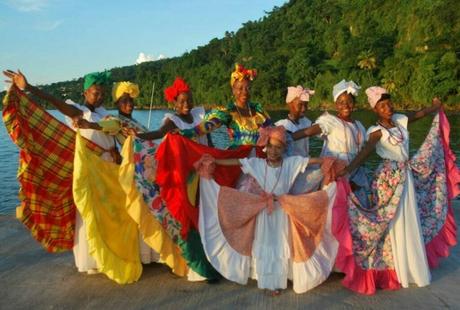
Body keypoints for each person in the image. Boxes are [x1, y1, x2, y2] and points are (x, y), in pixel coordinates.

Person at [196, 126, 339, 295]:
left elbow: (309, 161)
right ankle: (266, 280)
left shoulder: (290, 163)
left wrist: (326, 161)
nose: (273, 151)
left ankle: (278, 282)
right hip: (264, 213)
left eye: (278, 147)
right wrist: (215, 161)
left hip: (283, 212)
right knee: (264, 243)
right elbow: (236, 162)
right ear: (266, 147)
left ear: (284, 149)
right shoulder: (257, 163)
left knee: (281, 244)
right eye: (270, 146)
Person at [335, 86, 451, 294]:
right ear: (375, 110)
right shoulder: (376, 132)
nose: (387, 107)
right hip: (389, 179)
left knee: (410, 218)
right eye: (382, 105)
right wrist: (348, 171)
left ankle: (411, 265)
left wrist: (435, 107)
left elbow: (419, 114)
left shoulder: (399, 121)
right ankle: (395, 265)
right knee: (394, 221)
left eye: (388, 103)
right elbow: (365, 153)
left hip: (406, 174)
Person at [3, 69, 114, 274]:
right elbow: (54, 101)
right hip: (89, 171)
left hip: (108, 170)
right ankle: (92, 259)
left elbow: (110, 137)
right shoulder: (77, 111)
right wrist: (28, 88)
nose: (99, 96)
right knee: (88, 214)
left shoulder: (103, 113)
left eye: (101, 93)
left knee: (107, 214)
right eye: (94, 92)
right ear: (85, 93)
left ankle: (110, 252)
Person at [290, 80, 369, 204]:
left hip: (355, 172)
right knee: (334, 209)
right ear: (336, 105)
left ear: (354, 103)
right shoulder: (331, 121)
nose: (346, 105)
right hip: (335, 173)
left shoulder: (359, 126)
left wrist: (351, 171)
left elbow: (364, 150)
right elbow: (311, 130)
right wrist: (288, 137)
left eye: (349, 101)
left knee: (357, 211)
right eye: (341, 102)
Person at [180, 64, 271, 150]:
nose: (245, 92)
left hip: (259, 161)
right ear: (233, 90)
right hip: (237, 160)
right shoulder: (229, 112)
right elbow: (209, 125)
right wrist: (186, 133)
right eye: (240, 88)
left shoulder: (259, 111)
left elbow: (273, 131)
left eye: (248, 88)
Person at [275, 85, 315, 157]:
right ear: (289, 105)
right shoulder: (282, 125)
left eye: (306, 105)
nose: (304, 109)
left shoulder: (306, 122)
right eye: (300, 105)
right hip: (291, 165)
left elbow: (318, 129)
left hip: (305, 163)